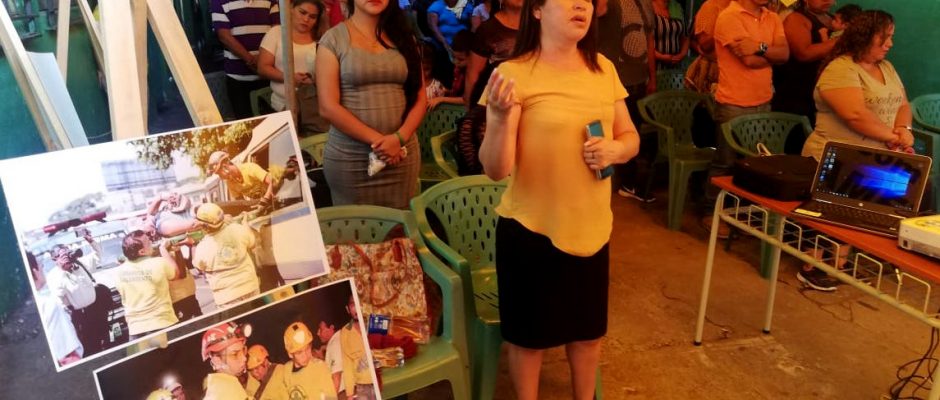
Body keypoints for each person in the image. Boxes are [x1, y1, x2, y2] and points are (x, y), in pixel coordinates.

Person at [478, 0, 640, 394]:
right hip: (532, 231)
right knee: (529, 341)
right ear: (537, 10)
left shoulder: (604, 69)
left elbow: (630, 136)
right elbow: (496, 169)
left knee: (587, 338)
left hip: (591, 230)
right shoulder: (513, 74)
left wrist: (616, 150)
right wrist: (498, 119)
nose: (581, 5)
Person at [316, 0, 426, 209]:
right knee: (354, 225)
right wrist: (382, 144)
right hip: (351, 160)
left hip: (402, 155)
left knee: (400, 223)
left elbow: (421, 98)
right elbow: (328, 107)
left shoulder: (405, 38)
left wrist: (399, 139)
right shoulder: (333, 40)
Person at [703, 0, 788, 238]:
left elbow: (785, 54)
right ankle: (711, 213)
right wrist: (772, 54)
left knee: (757, 164)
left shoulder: (772, 17)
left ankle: (743, 214)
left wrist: (759, 46)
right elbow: (749, 61)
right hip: (733, 103)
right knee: (725, 162)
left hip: (763, 101)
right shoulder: (729, 17)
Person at [596, 0, 657, 203]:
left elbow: (649, 40)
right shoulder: (609, 3)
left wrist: (652, 77)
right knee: (605, 133)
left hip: (638, 80)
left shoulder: (646, 4)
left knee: (632, 131)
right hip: (610, 79)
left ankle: (628, 183)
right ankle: (618, 183)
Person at [457, 0, 521, 175]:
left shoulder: (541, 26)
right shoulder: (487, 30)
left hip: (529, 103)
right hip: (490, 102)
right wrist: (470, 109)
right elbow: (473, 73)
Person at [258, 0, 330, 133]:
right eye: (302, 12)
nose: (306, 19)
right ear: (291, 8)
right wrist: (290, 78)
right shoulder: (276, 32)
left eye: (312, 17)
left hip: (315, 106)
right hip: (283, 105)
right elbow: (263, 68)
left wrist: (315, 80)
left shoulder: (323, 38)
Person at [772, 0, 837, 139]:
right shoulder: (796, 18)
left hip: (824, 95)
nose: (829, 1)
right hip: (797, 95)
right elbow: (804, 53)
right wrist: (840, 40)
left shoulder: (834, 19)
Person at [210, 0, 279, 119]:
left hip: (268, 77)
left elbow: (277, 30)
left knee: (273, 121)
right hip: (237, 79)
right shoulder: (218, 1)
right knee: (246, 123)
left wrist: (263, 60)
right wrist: (251, 59)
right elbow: (224, 36)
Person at [116, 230, 185, 340]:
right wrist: (163, 250)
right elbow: (176, 273)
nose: (152, 244)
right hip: (163, 323)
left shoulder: (119, 272)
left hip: (135, 329)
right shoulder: (159, 263)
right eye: (148, 242)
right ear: (142, 252)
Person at [192, 202, 262, 309]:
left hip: (227, 298)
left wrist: (192, 244)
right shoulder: (237, 229)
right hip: (250, 287)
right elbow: (252, 243)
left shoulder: (202, 248)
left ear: (203, 226)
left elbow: (199, 267)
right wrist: (245, 224)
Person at [45, 243, 110, 354]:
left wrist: (91, 241)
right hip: (80, 318)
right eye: (62, 255)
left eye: (67, 253)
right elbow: (58, 297)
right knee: (91, 348)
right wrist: (63, 270)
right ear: (55, 259)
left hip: (97, 311)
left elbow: (98, 255)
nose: (67, 257)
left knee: (106, 341)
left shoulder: (80, 265)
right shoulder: (54, 276)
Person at [27, 252, 83, 367]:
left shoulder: (29, 305)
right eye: (41, 265)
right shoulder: (49, 304)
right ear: (35, 271)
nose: (43, 268)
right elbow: (67, 355)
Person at [276, 322, 338, 399]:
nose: (305, 355)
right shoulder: (285, 372)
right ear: (290, 354)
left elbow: (331, 398)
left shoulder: (319, 368)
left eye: (307, 349)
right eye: (299, 352)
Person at [207, 150, 284, 209]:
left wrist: (265, 199)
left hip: (282, 198)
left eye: (219, 173)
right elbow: (241, 203)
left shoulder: (249, 168)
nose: (220, 177)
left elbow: (272, 181)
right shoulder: (230, 183)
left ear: (225, 167)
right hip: (268, 207)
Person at [684, 0, 730, 94]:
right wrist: (725, 27)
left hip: (735, 75)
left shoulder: (743, 7)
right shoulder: (711, 6)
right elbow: (704, 44)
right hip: (711, 74)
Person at [336, 296, 376, 399]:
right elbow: (347, 364)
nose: (357, 307)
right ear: (348, 309)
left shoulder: (375, 322)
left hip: (380, 379)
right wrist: (349, 394)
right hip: (362, 387)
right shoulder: (345, 332)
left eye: (360, 303)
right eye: (353, 304)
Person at [201, 322, 252, 400]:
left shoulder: (226, 386)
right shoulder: (224, 392)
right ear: (217, 361)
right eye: (235, 354)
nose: (244, 358)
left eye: (243, 350)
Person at [651, 0, 689, 69]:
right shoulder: (648, 7)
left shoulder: (677, 7)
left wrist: (681, 55)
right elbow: (643, 42)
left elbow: (685, 37)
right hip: (654, 66)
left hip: (675, 67)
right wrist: (661, 57)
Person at [316, 320, 344, 395]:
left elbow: (336, 376)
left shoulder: (334, 344)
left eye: (321, 329)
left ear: (331, 328)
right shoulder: (339, 338)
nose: (318, 333)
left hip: (342, 393)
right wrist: (322, 358)